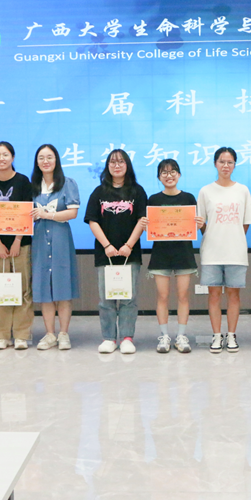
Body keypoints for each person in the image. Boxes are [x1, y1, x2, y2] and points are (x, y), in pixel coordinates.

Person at [84, 149, 146, 355]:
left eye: (121, 162)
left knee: (129, 299)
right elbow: (92, 221)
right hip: (106, 254)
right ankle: (109, 338)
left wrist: (129, 245)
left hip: (130, 253)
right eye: (112, 162)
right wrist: (107, 246)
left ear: (127, 165)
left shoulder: (137, 191)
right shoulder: (99, 192)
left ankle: (127, 338)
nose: (117, 165)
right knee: (106, 300)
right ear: (107, 166)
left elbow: (142, 220)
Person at [140, 159, 204, 354]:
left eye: (173, 171)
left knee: (183, 296)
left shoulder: (189, 198)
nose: (169, 176)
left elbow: (193, 227)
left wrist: (199, 224)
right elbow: (150, 228)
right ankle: (164, 336)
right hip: (161, 254)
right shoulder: (153, 200)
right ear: (159, 177)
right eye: (164, 172)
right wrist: (146, 225)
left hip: (184, 253)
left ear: (179, 174)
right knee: (162, 296)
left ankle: (181, 336)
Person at [197, 147, 251, 354]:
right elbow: (201, 223)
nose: (226, 166)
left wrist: (232, 237)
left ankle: (231, 335)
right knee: (213, 295)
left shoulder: (243, 190)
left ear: (235, 165)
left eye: (230, 162)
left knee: (233, 294)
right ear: (215, 164)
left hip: (235, 252)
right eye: (222, 161)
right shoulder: (205, 191)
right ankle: (216, 335)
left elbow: (245, 224)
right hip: (211, 252)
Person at [0, 141, 34, 350]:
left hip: (22, 244)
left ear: (12, 157)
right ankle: (1, 335)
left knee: (23, 290)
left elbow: (27, 212)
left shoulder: (23, 181)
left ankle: (21, 335)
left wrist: (18, 240)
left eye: (5, 154)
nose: (1, 158)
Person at [30, 144, 80, 351]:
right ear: (37, 162)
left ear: (57, 160)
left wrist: (47, 215)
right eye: (41, 158)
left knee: (63, 287)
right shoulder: (32, 186)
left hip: (61, 239)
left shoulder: (68, 183)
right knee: (44, 288)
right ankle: (50, 334)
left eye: (49, 157)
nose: (46, 161)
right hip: (40, 240)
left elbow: (72, 213)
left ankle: (63, 334)